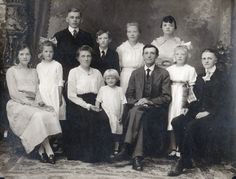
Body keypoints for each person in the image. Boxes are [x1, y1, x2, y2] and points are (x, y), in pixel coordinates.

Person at [168, 49, 226, 176]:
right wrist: (187, 107)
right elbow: (194, 96)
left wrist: (208, 112)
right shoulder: (200, 76)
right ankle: (186, 157)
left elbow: (225, 100)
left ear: (216, 60)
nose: (206, 61)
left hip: (214, 114)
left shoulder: (222, 77)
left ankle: (182, 161)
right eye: (204, 58)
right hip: (197, 112)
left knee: (191, 125)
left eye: (209, 58)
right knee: (176, 121)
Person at [114, 44, 171, 171]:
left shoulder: (163, 73)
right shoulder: (136, 73)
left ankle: (126, 146)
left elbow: (166, 97)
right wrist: (139, 101)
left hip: (155, 109)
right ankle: (137, 157)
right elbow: (128, 96)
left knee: (136, 113)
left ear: (156, 56)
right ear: (143, 55)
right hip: (139, 107)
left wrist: (149, 101)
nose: (149, 55)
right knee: (139, 114)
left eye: (152, 53)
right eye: (146, 53)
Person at [6, 44, 62, 164]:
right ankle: (49, 150)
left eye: (27, 54)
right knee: (38, 115)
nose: (25, 57)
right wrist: (29, 104)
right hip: (17, 104)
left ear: (31, 56)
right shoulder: (11, 71)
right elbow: (13, 93)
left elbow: (37, 91)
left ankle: (42, 151)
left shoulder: (34, 71)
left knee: (50, 112)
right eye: (21, 54)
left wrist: (41, 103)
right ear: (17, 56)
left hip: (33, 103)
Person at [66, 45, 112, 162]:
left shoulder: (96, 72)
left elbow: (102, 91)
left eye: (88, 56)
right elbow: (71, 95)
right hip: (78, 103)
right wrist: (87, 106)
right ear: (78, 58)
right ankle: (87, 155)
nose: (86, 59)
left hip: (95, 101)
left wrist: (98, 105)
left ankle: (103, 154)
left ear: (91, 58)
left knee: (104, 118)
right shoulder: (74, 72)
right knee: (88, 119)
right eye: (83, 56)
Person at [166, 45, 197, 158]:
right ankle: (172, 146)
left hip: (183, 95)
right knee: (171, 119)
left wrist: (188, 102)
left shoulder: (190, 69)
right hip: (172, 95)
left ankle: (180, 147)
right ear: (174, 56)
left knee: (180, 119)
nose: (180, 56)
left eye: (182, 54)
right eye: (177, 54)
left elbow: (192, 86)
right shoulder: (169, 69)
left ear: (187, 56)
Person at [53, 8, 93, 81]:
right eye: (72, 17)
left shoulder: (87, 36)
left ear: (81, 20)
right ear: (67, 19)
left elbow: (91, 56)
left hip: (83, 74)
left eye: (77, 18)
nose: (75, 20)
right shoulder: (59, 36)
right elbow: (55, 58)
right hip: (65, 75)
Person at [96, 69, 126, 156]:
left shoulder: (119, 89)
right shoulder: (103, 89)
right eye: (108, 78)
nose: (110, 80)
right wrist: (97, 110)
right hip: (107, 114)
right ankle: (107, 149)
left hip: (116, 114)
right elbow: (98, 101)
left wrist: (121, 114)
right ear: (105, 80)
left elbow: (123, 103)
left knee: (117, 132)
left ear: (117, 79)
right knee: (108, 131)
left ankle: (116, 149)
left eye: (113, 78)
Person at [36, 40, 66, 121]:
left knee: (54, 118)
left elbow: (60, 83)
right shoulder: (39, 66)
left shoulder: (57, 65)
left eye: (51, 51)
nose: (48, 54)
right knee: (43, 118)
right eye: (46, 51)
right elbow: (38, 82)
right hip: (43, 94)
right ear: (42, 52)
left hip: (54, 93)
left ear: (53, 52)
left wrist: (59, 97)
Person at [116, 22, 144, 93]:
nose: (132, 34)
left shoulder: (143, 48)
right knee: (125, 95)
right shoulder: (121, 48)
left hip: (139, 75)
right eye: (129, 32)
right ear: (126, 34)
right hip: (125, 75)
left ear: (139, 33)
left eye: (135, 31)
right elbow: (118, 65)